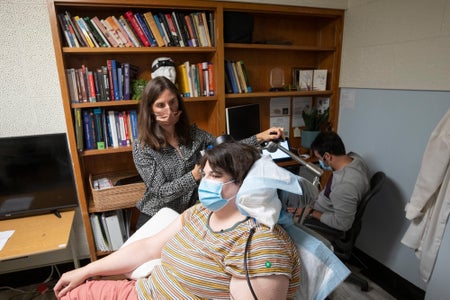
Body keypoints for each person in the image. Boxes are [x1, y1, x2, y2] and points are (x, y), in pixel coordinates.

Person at [54, 141, 301, 300]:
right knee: (70, 292)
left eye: (215, 176)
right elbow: (148, 248)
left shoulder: (259, 244)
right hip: (142, 292)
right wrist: (84, 270)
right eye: (204, 175)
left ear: (246, 183)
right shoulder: (200, 213)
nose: (204, 184)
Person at [133, 76, 285, 229]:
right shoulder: (143, 147)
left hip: (189, 214)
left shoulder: (194, 134)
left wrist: (260, 137)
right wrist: (195, 175)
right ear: (150, 110)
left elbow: (226, 148)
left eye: (172, 102)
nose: (169, 110)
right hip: (157, 215)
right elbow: (161, 192)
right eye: (161, 105)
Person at [303, 131, 370, 237]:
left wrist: (310, 212)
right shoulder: (355, 159)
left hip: (320, 216)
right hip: (320, 203)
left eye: (319, 159)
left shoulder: (344, 185)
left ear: (328, 156)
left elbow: (343, 224)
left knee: (285, 221)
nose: (320, 162)